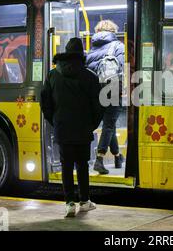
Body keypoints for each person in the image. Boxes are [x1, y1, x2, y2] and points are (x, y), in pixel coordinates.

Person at [41, 37, 103, 218]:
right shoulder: (90, 76)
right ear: (81, 54)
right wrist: (91, 125)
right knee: (82, 164)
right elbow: (98, 107)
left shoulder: (52, 75)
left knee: (66, 165)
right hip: (83, 129)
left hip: (62, 128)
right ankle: (84, 201)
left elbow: (45, 103)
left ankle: (69, 203)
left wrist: (55, 121)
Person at [85, 20, 125, 175]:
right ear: (113, 31)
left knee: (110, 123)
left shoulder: (92, 47)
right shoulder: (118, 46)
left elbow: (88, 67)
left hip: (95, 89)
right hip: (112, 87)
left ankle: (117, 156)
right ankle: (99, 159)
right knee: (109, 124)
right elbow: (120, 67)